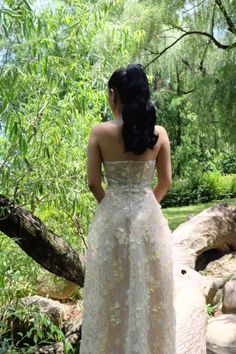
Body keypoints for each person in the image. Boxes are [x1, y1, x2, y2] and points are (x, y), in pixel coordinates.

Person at [79, 64, 176, 354]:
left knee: (110, 294)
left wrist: (113, 208)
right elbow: (166, 181)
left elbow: (93, 183)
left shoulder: (99, 132)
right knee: (151, 294)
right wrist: (148, 206)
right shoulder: (159, 133)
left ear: (113, 94)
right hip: (150, 222)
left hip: (112, 223)